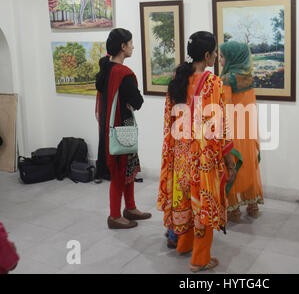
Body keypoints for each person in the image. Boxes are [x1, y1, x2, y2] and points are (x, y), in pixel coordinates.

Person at [157, 31, 237, 272]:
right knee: (203, 206)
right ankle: (200, 260)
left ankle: (183, 244)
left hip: (181, 155)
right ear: (206, 55)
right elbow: (217, 128)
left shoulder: (178, 78)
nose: (216, 57)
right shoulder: (211, 82)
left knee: (185, 203)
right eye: (215, 53)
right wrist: (230, 162)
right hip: (202, 158)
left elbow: (169, 122)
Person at [95, 28, 151, 229]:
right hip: (122, 128)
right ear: (122, 46)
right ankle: (114, 216)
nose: (133, 46)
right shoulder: (123, 73)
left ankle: (130, 208)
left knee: (126, 170)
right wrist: (132, 102)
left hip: (109, 128)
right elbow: (137, 101)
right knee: (121, 172)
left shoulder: (106, 68)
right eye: (131, 43)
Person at [219, 41, 264, 222]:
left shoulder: (227, 80)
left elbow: (224, 109)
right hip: (248, 130)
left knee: (231, 167)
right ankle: (252, 205)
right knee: (248, 166)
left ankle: (233, 210)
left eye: (222, 56)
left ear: (232, 58)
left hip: (233, 133)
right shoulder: (248, 77)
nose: (220, 61)